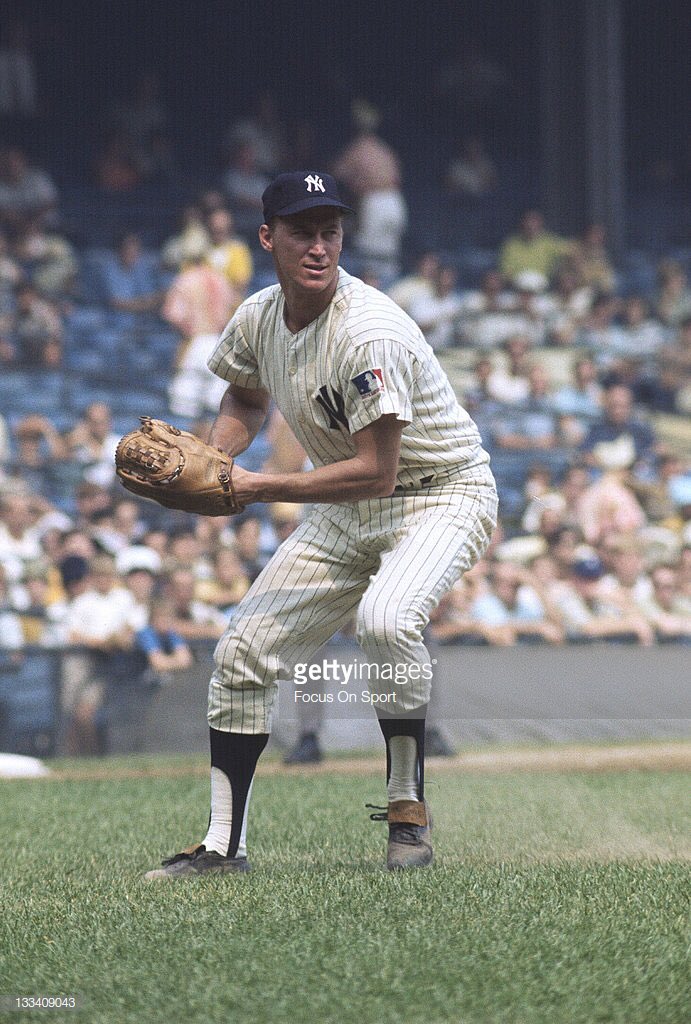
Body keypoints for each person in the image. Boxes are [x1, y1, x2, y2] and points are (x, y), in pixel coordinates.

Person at [144, 170, 497, 880]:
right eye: (302, 230)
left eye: (330, 230)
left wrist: (254, 487)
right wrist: (217, 457)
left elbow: (377, 473)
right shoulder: (257, 316)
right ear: (267, 237)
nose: (318, 245)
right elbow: (244, 398)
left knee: (388, 619)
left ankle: (406, 812)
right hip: (344, 505)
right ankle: (223, 847)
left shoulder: (369, 333)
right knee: (243, 651)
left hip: (438, 493)